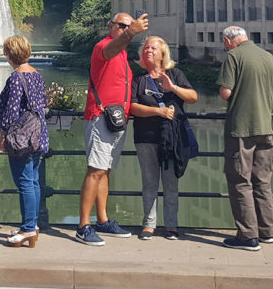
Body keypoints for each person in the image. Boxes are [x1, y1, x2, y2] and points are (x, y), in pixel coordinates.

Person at [75, 12, 148, 246]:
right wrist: (132, 32)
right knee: (95, 170)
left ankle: (103, 220)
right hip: (99, 117)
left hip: (115, 120)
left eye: (128, 25)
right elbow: (111, 49)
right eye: (122, 25)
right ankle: (83, 226)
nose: (125, 28)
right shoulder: (103, 47)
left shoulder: (123, 54)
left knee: (105, 171)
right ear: (111, 26)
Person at [217, 25, 273, 251]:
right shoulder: (268, 56)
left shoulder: (233, 56)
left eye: (224, 42)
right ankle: (267, 232)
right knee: (262, 180)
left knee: (240, 180)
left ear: (229, 41)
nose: (225, 46)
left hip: (241, 127)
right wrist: (266, 101)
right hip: (265, 128)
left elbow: (225, 92)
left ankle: (248, 236)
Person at [130, 36, 197, 241]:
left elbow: (193, 97)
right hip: (146, 136)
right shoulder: (138, 78)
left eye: (153, 48)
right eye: (146, 48)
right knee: (149, 182)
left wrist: (173, 88)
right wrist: (157, 112)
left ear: (162, 53)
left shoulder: (175, 74)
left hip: (171, 139)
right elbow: (132, 107)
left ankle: (171, 225)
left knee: (170, 183)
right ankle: (149, 225)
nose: (148, 50)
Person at [0, 35, 48, 248]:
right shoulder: (37, 75)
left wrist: (3, 136)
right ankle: (31, 225)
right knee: (34, 181)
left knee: (25, 183)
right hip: (37, 135)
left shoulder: (16, 78)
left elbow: (10, 112)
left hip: (21, 139)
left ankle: (28, 229)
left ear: (10, 55)